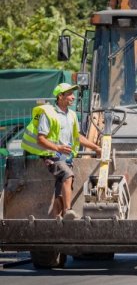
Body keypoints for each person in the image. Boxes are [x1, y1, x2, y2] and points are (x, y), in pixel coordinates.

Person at [21, 83, 102, 220]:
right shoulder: (48, 114)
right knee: (67, 175)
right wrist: (58, 148)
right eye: (69, 94)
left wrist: (96, 148)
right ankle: (68, 210)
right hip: (52, 156)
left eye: (73, 94)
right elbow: (41, 139)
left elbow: (77, 136)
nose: (73, 97)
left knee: (60, 192)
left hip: (66, 157)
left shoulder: (72, 115)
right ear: (60, 96)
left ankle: (58, 220)